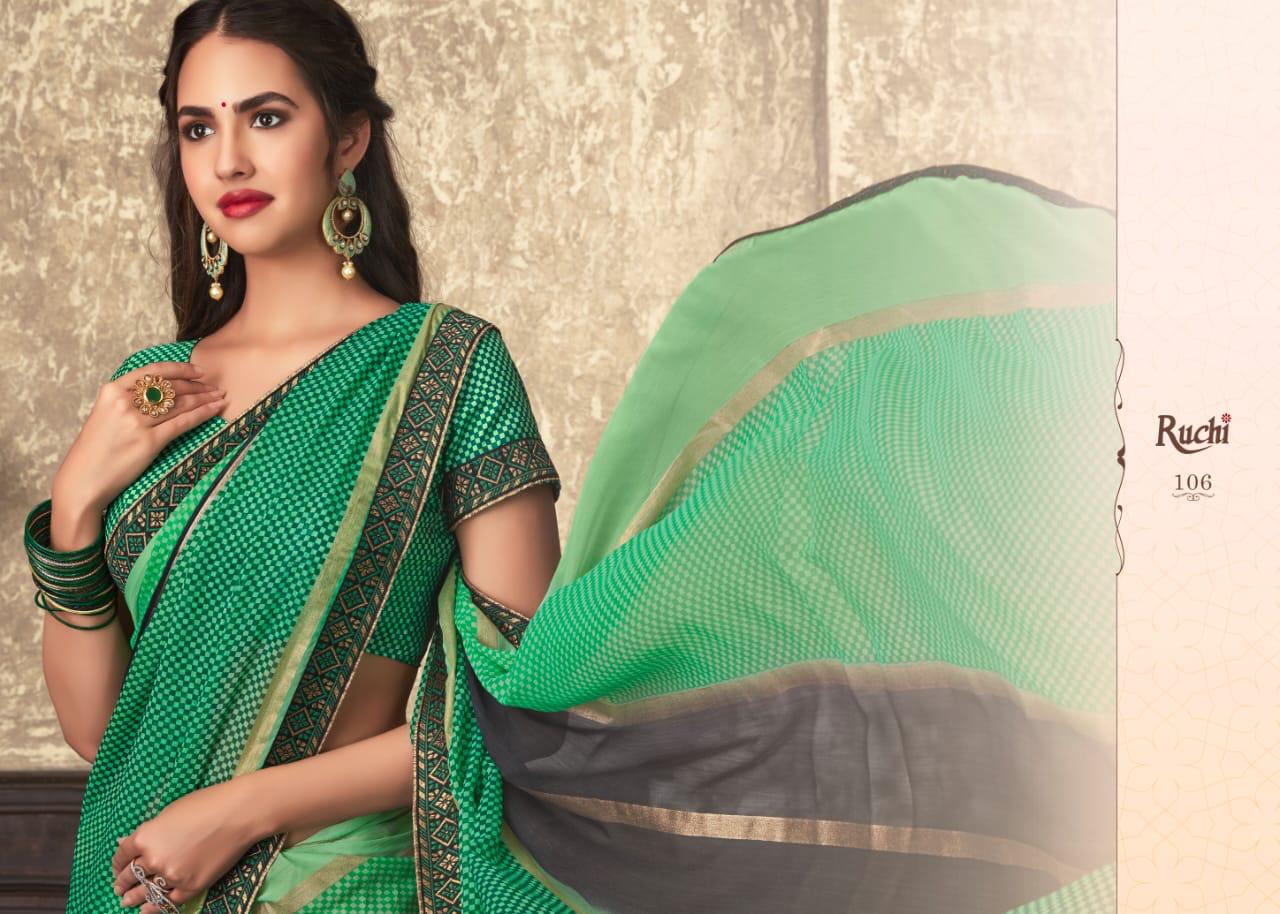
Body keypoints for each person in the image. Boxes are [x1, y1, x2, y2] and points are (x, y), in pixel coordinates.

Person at [22, 2, 1118, 913]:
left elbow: (517, 705)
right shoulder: (152, 394)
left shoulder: (444, 368)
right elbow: (102, 728)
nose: (229, 159)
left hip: (338, 881)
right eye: (197, 127)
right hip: (129, 880)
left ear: (347, 139)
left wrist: (241, 808)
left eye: (266, 116)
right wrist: (74, 508)